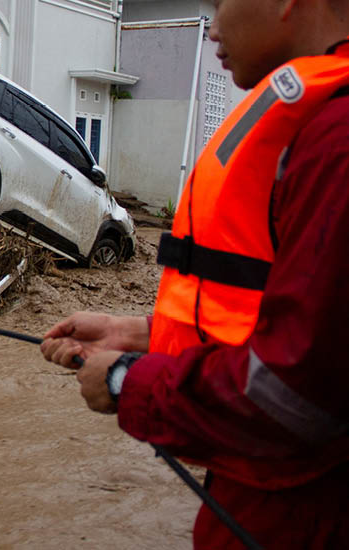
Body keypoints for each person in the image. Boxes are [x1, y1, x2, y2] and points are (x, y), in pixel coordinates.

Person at [41, 0, 349, 548]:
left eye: (218, 2)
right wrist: (145, 334)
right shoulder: (320, 128)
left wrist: (127, 381)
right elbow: (297, 321)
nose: (212, 28)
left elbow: (300, 394)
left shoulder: (338, 141)